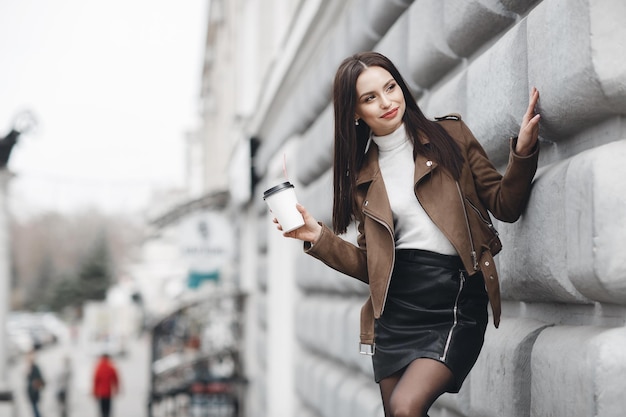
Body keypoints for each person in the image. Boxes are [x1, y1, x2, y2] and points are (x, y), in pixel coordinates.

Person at [274, 52, 540, 417]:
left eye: (390, 87)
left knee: (404, 408)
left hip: (455, 298)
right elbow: (373, 267)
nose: (386, 102)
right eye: (370, 98)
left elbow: (504, 205)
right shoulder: (363, 178)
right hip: (396, 311)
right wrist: (317, 236)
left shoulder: (450, 137)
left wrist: (523, 154)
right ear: (355, 112)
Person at [25, 350, 45, 417]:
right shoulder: (29, 368)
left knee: (35, 408)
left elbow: (38, 378)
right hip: (31, 392)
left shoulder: (35, 368)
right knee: (34, 408)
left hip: (34, 392)